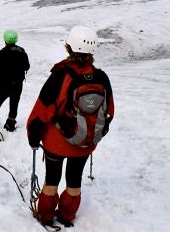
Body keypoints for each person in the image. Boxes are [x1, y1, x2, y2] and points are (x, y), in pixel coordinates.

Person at [26, 26, 114, 227]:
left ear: (69, 47)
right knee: (74, 181)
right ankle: (67, 216)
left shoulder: (60, 75)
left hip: (56, 142)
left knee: (52, 180)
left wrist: (33, 136)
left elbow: (42, 111)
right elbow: (109, 111)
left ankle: (46, 216)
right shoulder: (101, 77)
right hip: (85, 142)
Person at [0, 29, 30, 132]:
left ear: (5, 40)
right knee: (14, 104)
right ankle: (10, 124)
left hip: (4, 84)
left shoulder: (1, 53)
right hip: (18, 84)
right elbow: (27, 67)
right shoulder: (22, 52)